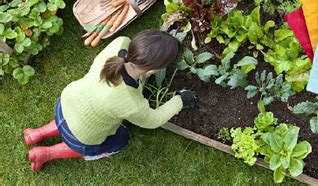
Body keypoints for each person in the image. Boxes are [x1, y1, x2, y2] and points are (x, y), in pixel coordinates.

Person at [23, 30, 197, 171]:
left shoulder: (120, 44)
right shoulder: (131, 102)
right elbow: (153, 120)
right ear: (153, 70)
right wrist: (180, 100)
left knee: (76, 117)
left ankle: (36, 133)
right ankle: (46, 153)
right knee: (121, 139)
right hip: (82, 136)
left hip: (65, 103)